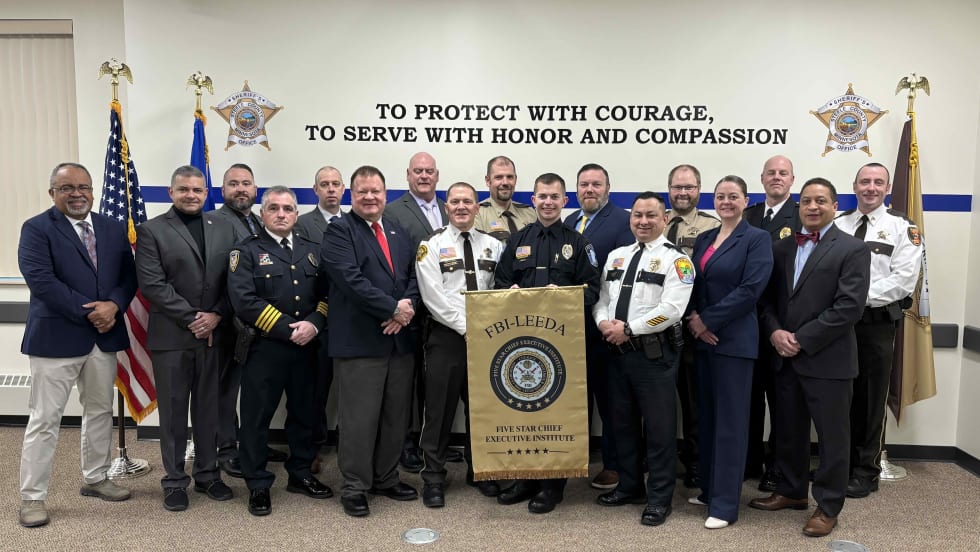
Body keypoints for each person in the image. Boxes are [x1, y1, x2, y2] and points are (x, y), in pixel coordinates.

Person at [17, 162, 138, 528]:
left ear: (92, 190)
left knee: (99, 411)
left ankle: (96, 477)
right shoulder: (37, 229)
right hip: (57, 336)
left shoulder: (111, 227)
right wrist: (93, 312)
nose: (77, 193)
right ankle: (33, 498)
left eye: (83, 186)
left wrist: (114, 306)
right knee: (45, 420)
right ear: (52, 192)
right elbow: (42, 282)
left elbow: (127, 276)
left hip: (103, 339)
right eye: (67, 187)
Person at [750, 178, 870, 538]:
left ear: (835, 206)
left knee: (833, 438)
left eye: (821, 201)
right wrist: (773, 332)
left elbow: (849, 308)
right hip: (784, 356)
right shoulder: (781, 247)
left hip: (828, 360)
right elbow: (767, 301)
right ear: (798, 207)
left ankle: (829, 505)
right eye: (806, 201)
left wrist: (800, 339)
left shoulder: (852, 249)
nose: (813, 207)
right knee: (788, 430)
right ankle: (790, 491)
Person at [494, 172, 600, 514]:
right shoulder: (518, 240)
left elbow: (594, 289)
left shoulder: (579, 243)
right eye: (542, 196)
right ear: (534, 199)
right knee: (525, 410)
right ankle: (527, 478)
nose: (549, 202)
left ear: (564, 200)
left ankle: (553, 485)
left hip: (564, 345)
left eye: (555, 197)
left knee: (558, 412)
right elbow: (500, 282)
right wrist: (507, 294)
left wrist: (567, 298)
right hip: (523, 343)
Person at [320, 165, 422, 518]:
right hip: (361, 343)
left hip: (399, 341)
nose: (369, 197)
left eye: (376, 191)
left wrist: (406, 308)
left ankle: (386, 477)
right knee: (359, 420)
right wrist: (394, 308)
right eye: (362, 191)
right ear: (351, 194)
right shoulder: (339, 231)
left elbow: (413, 276)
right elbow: (350, 280)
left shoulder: (396, 230)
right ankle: (355, 486)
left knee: (396, 417)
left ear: (385, 193)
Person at [135, 165, 237, 512]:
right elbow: (152, 283)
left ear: (207, 193)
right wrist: (194, 318)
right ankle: (175, 480)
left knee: (210, 410)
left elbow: (235, 281)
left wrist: (218, 315)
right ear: (171, 192)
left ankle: (208, 475)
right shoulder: (152, 231)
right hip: (173, 337)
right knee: (175, 412)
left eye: (197, 190)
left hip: (215, 334)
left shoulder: (223, 227)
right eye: (184, 190)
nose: (191, 195)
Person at [227, 186, 333, 516]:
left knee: (305, 414)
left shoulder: (314, 250)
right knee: (257, 419)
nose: (281, 213)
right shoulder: (245, 252)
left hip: (308, 348)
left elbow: (328, 295)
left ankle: (300, 474)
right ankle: (258, 484)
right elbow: (244, 301)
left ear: (297, 214)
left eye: (288, 208)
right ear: (263, 214)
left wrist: (314, 323)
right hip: (266, 349)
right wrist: (290, 329)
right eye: (274, 208)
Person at [593, 191, 693, 527]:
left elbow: (672, 310)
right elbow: (602, 299)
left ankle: (659, 499)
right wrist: (603, 323)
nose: (643, 221)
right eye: (637, 215)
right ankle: (630, 486)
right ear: (630, 219)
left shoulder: (676, 260)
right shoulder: (617, 256)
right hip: (616, 352)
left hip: (654, 356)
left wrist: (630, 329)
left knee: (660, 430)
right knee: (621, 424)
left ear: (665, 219)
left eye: (651, 215)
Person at [687, 176, 773, 529]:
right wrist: (694, 317)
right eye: (720, 196)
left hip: (734, 343)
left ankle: (724, 506)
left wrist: (706, 321)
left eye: (733, 196)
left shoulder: (757, 238)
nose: (726, 202)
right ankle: (709, 489)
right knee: (706, 419)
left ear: (745, 200)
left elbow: (750, 290)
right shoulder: (706, 237)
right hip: (702, 341)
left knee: (731, 426)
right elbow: (690, 281)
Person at [415, 182, 504, 507]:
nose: (462, 206)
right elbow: (432, 297)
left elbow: (501, 288)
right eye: (455, 202)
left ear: (477, 207)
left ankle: (479, 471)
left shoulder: (494, 246)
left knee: (482, 409)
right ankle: (434, 478)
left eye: (468, 201)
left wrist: (484, 329)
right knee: (438, 409)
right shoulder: (432, 246)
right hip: (446, 337)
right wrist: (467, 328)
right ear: (447, 207)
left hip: (488, 338)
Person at [836, 162, 921, 498]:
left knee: (871, 399)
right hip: (839, 327)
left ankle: (865, 470)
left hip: (875, 324)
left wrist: (852, 300)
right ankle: (838, 465)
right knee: (839, 397)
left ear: (887, 189)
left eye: (877, 182)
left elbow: (903, 281)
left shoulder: (903, 227)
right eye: (864, 181)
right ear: (854, 185)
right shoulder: (839, 224)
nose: (870, 187)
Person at [562, 163, 633, 490]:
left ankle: (616, 465)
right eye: (584, 184)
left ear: (608, 187)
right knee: (575, 398)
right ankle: (575, 457)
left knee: (611, 401)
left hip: (604, 327)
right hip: (570, 329)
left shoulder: (622, 221)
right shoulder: (570, 221)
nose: (589, 190)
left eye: (596, 184)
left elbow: (622, 276)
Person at [211, 163, 279, 479]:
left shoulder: (256, 220)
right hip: (227, 322)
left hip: (254, 325)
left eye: (246, 183)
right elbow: (217, 276)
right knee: (226, 390)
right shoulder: (216, 222)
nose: (241, 189)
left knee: (253, 391)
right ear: (222, 190)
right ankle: (227, 449)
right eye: (233, 183)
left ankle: (253, 445)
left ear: (255, 190)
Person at [383, 152, 449, 472]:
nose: (424, 176)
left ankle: (433, 442)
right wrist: (403, 304)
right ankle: (408, 444)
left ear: (437, 176)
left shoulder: (450, 209)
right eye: (418, 171)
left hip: (444, 311)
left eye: (429, 171)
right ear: (407, 174)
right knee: (408, 383)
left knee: (434, 382)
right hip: (410, 308)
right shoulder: (393, 212)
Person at [742, 155, 802, 491]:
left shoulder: (800, 217)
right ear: (762, 179)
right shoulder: (747, 216)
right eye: (771, 173)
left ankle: (777, 467)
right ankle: (749, 461)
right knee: (748, 399)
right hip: (747, 323)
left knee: (781, 403)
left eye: (783, 173)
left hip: (781, 322)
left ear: (792, 180)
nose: (776, 177)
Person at [664, 164, 720, 488]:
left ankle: (697, 462)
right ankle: (659, 459)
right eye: (677, 187)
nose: (682, 193)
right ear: (669, 189)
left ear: (699, 190)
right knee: (656, 398)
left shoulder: (711, 227)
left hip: (691, 324)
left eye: (689, 187)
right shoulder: (655, 220)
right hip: (655, 325)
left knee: (694, 400)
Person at [295, 165, 346, 474]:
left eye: (335, 184)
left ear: (343, 190)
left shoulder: (355, 223)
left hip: (350, 320)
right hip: (317, 319)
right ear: (315, 190)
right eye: (324, 184)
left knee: (350, 389)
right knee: (313, 392)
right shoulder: (301, 224)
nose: (330, 189)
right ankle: (309, 449)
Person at [474, 155, 536, 241]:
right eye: (499, 177)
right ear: (488, 181)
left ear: (515, 180)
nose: (505, 182)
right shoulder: (477, 214)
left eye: (510, 177)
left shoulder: (529, 213)